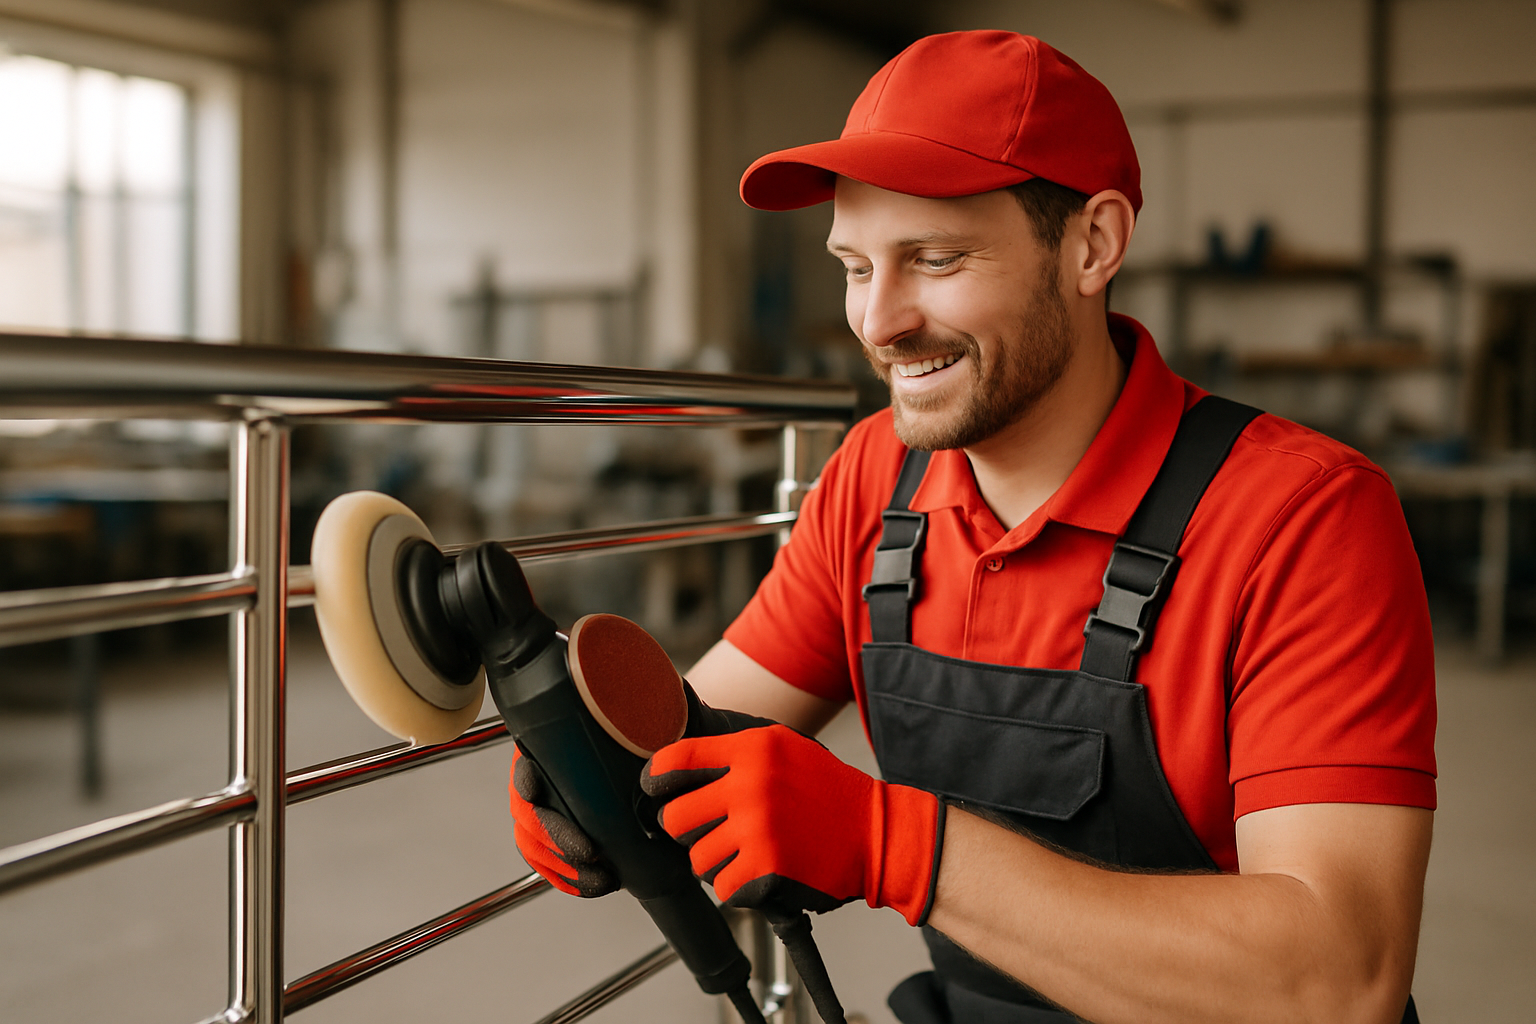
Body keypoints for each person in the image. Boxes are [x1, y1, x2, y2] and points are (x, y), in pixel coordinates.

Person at [511, 30, 1436, 1024]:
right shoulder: (875, 476)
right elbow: (696, 734)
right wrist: (591, 775)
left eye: (935, 259)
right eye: (855, 267)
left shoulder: (1302, 518)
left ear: (1093, 244)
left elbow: (1338, 982)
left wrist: (895, 846)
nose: (879, 322)